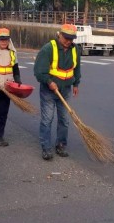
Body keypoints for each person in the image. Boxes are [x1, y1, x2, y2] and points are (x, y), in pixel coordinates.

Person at [33, 23, 81, 160]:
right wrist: (49, 82)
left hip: (65, 89)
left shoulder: (75, 49)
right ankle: (46, 148)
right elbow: (38, 72)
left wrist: (76, 83)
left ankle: (61, 145)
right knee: (47, 119)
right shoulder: (48, 49)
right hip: (49, 91)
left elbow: (76, 69)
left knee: (64, 120)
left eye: (71, 39)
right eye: (66, 38)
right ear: (59, 35)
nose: (68, 41)